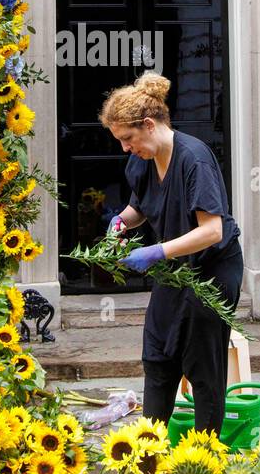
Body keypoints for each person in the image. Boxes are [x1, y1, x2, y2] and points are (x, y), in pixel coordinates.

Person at [98, 71, 244, 435]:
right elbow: (142, 206)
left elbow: (213, 230)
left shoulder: (195, 159)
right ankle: (151, 447)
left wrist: (155, 252)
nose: (125, 149)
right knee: (158, 354)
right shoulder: (142, 161)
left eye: (128, 138)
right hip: (174, 271)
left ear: (149, 124)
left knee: (202, 365)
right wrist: (121, 222)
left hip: (211, 271)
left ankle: (203, 455)